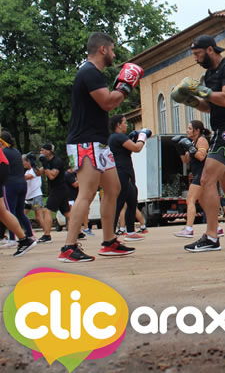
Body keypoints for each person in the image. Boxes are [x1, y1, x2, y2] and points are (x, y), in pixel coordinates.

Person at [171, 34, 225, 253]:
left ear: (210, 50)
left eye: (197, 54)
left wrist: (200, 90)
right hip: (222, 131)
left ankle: (212, 237)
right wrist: (190, 100)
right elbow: (209, 106)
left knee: (207, 179)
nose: (195, 58)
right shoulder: (210, 75)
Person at [61, 32, 142, 262]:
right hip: (85, 142)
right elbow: (108, 102)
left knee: (114, 188)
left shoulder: (93, 74)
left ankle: (108, 242)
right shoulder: (89, 72)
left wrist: (121, 86)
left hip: (98, 142)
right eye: (113, 50)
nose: (114, 55)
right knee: (86, 193)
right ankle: (68, 247)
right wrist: (126, 86)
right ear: (103, 49)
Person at [108, 115, 150, 242]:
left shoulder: (116, 138)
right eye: (125, 123)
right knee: (119, 202)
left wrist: (132, 138)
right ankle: (110, 235)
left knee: (132, 200)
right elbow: (137, 148)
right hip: (122, 172)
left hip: (125, 170)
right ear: (118, 125)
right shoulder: (118, 136)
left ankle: (130, 232)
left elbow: (128, 151)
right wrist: (142, 136)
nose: (126, 125)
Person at [0, 134, 37, 257]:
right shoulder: (16, 152)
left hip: (10, 184)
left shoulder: (5, 152)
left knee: (8, 211)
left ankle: (13, 239)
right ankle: (28, 236)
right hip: (22, 183)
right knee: (17, 213)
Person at [173, 120, 211, 238]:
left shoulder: (201, 140)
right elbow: (186, 160)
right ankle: (217, 227)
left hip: (202, 174)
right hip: (199, 174)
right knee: (203, 202)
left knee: (190, 200)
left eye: (190, 128)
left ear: (197, 130)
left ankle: (188, 229)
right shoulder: (193, 142)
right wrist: (179, 148)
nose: (187, 130)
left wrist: (189, 146)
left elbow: (201, 157)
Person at [23, 154, 45, 235]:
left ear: (28, 161)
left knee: (38, 216)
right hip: (28, 198)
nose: (22, 163)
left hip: (36, 197)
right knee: (21, 214)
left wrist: (15, 173)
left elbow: (27, 177)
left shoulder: (34, 170)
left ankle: (47, 233)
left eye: (23, 161)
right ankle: (29, 232)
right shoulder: (27, 171)